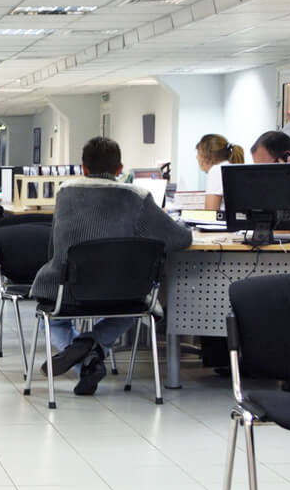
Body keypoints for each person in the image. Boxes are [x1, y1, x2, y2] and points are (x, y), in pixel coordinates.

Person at [33, 136, 192, 395]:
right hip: (123, 292)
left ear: (83, 168)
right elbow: (180, 239)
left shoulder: (65, 192)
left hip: (69, 290)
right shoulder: (137, 196)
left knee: (51, 320)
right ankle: (91, 350)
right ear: (120, 170)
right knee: (139, 304)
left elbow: (54, 246)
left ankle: (85, 358)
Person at [195, 133, 244, 210]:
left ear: (207, 155)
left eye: (198, 153)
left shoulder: (216, 171)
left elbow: (210, 212)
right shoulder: (228, 167)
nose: (197, 157)